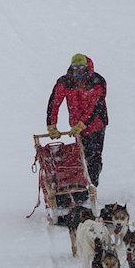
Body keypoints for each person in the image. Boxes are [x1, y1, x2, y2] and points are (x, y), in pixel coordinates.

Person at [46, 52, 108, 183]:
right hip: (77, 126)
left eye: (81, 69)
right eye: (75, 69)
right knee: (80, 156)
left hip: (96, 124)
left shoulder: (97, 81)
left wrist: (82, 124)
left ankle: (92, 185)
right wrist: (52, 125)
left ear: (86, 68)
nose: (78, 72)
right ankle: (80, 186)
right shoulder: (65, 82)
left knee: (94, 157)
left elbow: (95, 106)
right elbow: (54, 102)